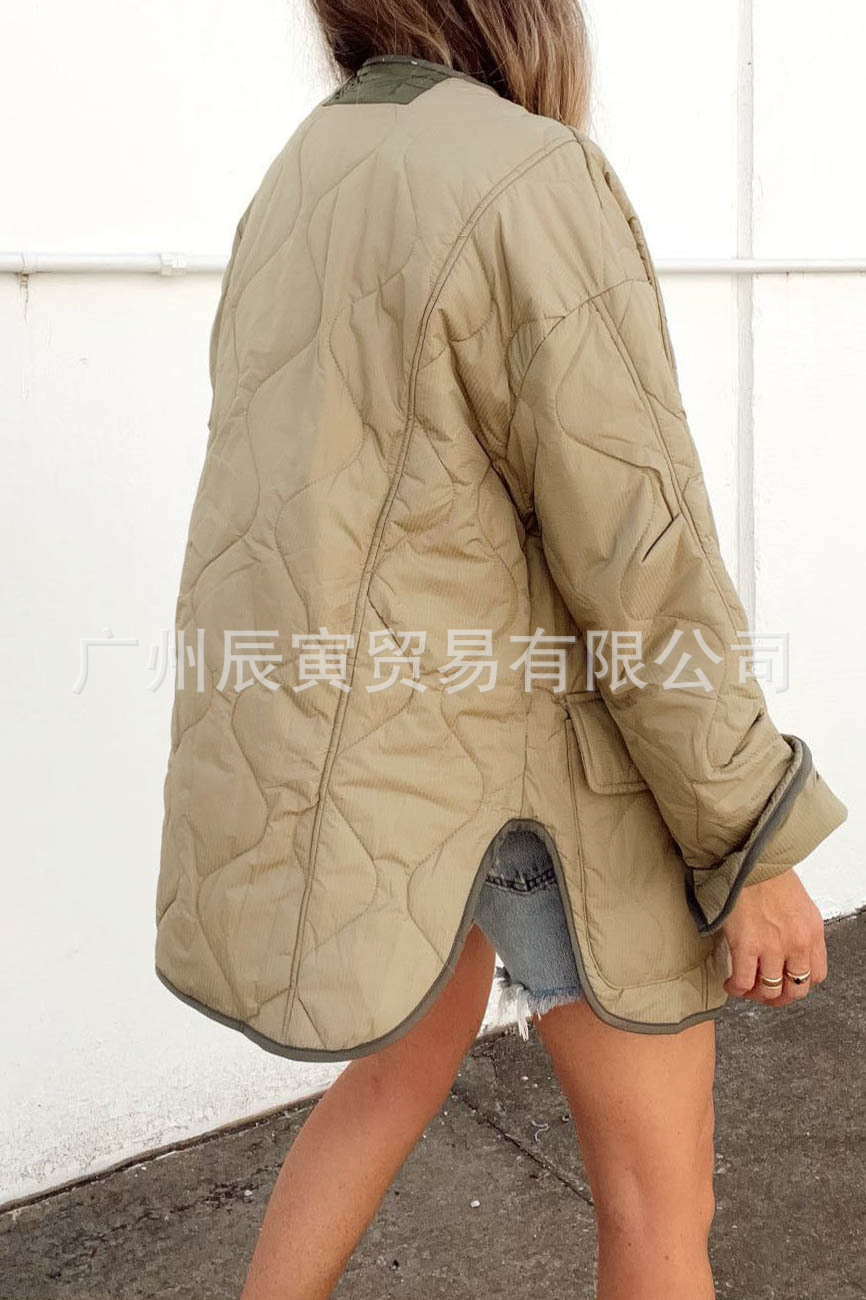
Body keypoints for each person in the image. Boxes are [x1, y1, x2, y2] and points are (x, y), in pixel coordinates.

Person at [153, 4, 848, 1297]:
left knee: (395, 1070)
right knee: (661, 1202)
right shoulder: (527, 175)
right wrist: (750, 836)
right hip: (533, 787)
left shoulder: (309, 168)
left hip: (390, 774)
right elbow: (640, 553)